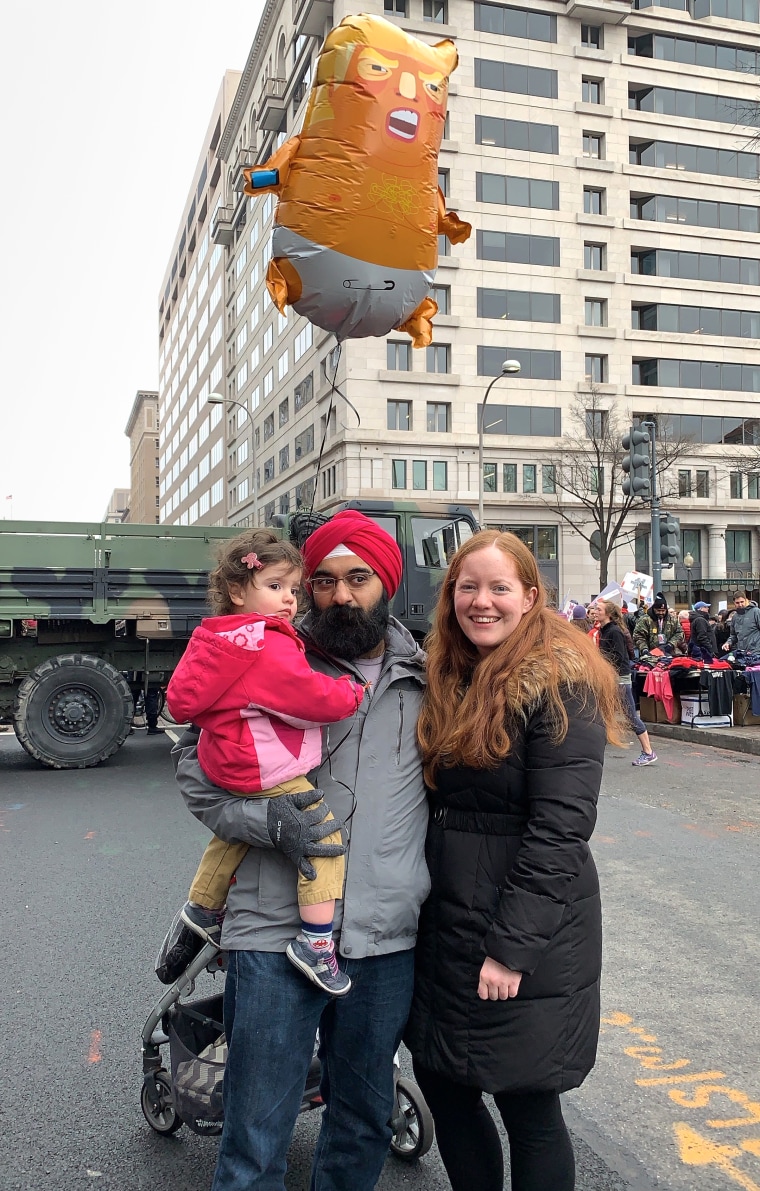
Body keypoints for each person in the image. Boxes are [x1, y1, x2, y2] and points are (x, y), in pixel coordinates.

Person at [173, 510, 428, 1191]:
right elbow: (196, 778)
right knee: (255, 1133)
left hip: (383, 937)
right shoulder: (263, 651)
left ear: (388, 583)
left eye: (358, 577)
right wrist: (265, 823)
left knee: (364, 1119)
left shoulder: (432, 679)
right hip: (273, 929)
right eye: (322, 580)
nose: (340, 594)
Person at [405, 530, 623, 1191]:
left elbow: (560, 829)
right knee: (443, 1081)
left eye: (500, 587)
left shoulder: (562, 683)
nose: (482, 601)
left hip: (520, 934)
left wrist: (511, 949)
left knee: (526, 1100)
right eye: (468, 586)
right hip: (447, 923)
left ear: (530, 596)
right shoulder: (448, 672)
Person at [158, 530, 365, 995]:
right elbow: (310, 695)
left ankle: (201, 909)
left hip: (226, 759)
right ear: (237, 591)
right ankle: (315, 943)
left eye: (293, 589)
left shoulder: (223, 640)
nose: (289, 600)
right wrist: (351, 693)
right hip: (260, 764)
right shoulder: (264, 644)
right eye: (275, 587)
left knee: (229, 841)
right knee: (321, 835)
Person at [595, 599, 657, 766]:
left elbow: (619, 657)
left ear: (607, 614)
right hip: (610, 678)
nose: (595, 611)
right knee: (602, 712)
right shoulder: (605, 630)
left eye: (598, 609)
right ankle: (596, 747)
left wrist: (601, 664)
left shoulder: (614, 632)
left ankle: (648, 751)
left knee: (630, 716)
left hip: (619, 679)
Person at [633, 591, 684, 656]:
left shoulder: (672, 619)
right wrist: (644, 649)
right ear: (654, 609)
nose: (661, 613)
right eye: (658, 610)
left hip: (668, 653)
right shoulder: (645, 619)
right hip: (649, 654)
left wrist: (671, 644)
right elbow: (638, 636)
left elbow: (679, 633)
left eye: (663, 611)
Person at [723, 590, 760, 654]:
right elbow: (733, 635)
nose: (740, 604)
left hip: (756, 652)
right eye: (737, 603)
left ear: (746, 600)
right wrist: (728, 643)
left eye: (742, 602)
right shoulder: (735, 617)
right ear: (734, 603)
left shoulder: (756, 612)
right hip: (741, 652)